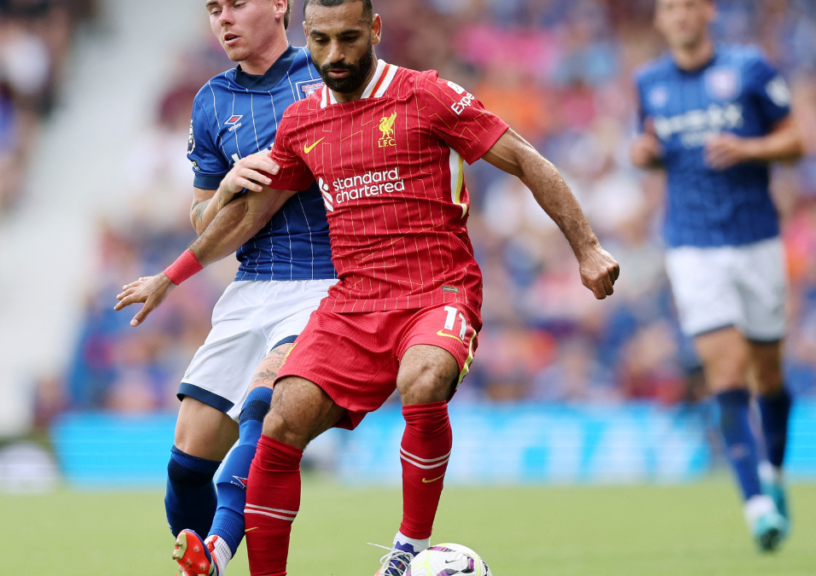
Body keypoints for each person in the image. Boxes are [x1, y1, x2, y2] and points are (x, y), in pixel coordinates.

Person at [159, 1, 616, 574]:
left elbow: (526, 160)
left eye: (348, 39)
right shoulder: (302, 122)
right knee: (280, 421)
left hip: (436, 292)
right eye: (321, 41)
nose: (334, 56)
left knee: (422, 379)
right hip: (352, 304)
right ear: (306, 35)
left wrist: (588, 247)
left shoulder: (426, 95)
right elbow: (248, 216)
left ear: (374, 30)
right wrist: (171, 274)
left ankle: (408, 550)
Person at [114, 2, 337, 575]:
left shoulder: (326, 74)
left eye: (235, 4)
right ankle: (202, 562)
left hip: (324, 280)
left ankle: (215, 553)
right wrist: (225, 191)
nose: (222, 19)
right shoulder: (211, 100)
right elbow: (200, 216)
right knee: (187, 463)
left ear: (280, 5)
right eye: (213, 9)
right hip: (250, 285)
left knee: (265, 406)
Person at [630, 0, 803, 552]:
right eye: (669, 9)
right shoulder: (648, 82)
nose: (679, 16)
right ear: (659, 20)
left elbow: (797, 140)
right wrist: (644, 155)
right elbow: (650, 149)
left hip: (756, 239)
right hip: (693, 246)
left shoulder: (750, 67)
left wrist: (750, 147)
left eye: (688, 6)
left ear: (707, 12)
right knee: (726, 373)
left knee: (769, 377)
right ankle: (756, 507)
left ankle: (772, 473)